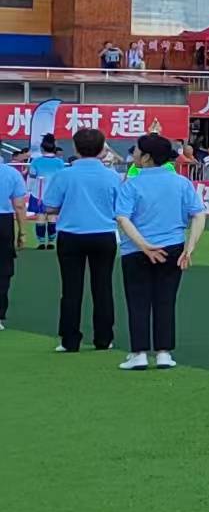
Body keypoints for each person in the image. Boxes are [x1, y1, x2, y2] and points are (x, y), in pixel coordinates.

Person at [112, 134, 205, 370]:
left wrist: (143, 245)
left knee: (138, 301)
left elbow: (122, 218)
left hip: (136, 250)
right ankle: (164, 352)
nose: (133, 154)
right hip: (173, 247)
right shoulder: (181, 182)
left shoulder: (131, 184)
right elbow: (198, 214)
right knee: (166, 299)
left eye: (137, 150)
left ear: (146, 157)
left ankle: (139, 353)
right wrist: (190, 247)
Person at [42, 128, 122, 353]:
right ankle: (104, 338)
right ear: (102, 149)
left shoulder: (64, 175)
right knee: (103, 286)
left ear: (75, 148)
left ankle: (69, 339)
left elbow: (50, 206)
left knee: (71, 288)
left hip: (71, 235)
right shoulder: (111, 176)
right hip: (103, 234)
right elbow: (120, 207)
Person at [0, 155, 22, 330]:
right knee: (3, 269)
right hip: (3, 222)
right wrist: (22, 231)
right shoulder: (11, 173)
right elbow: (19, 206)